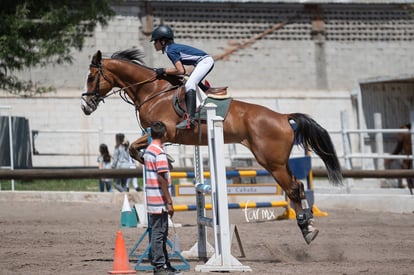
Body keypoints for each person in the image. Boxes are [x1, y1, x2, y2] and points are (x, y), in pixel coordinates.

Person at [151, 25, 214, 130]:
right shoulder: (171, 48)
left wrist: (164, 70)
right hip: (202, 62)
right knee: (188, 80)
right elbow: (182, 71)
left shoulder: (170, 50)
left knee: (189, 84)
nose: (154, 44)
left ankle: (191, 120)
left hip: (205, 61)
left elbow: (180, 70)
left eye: (155, 41)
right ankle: (206, 91)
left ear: (162, 41)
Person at [143, 121, 180, 275]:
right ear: (164, 135)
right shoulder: (159, 153)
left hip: (152, 198)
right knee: (159, 234)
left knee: (160, 233)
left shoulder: (148, 151)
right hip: (159, 199)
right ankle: (159, 266)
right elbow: (162, 178)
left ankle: (165, 264)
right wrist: (169, 201)